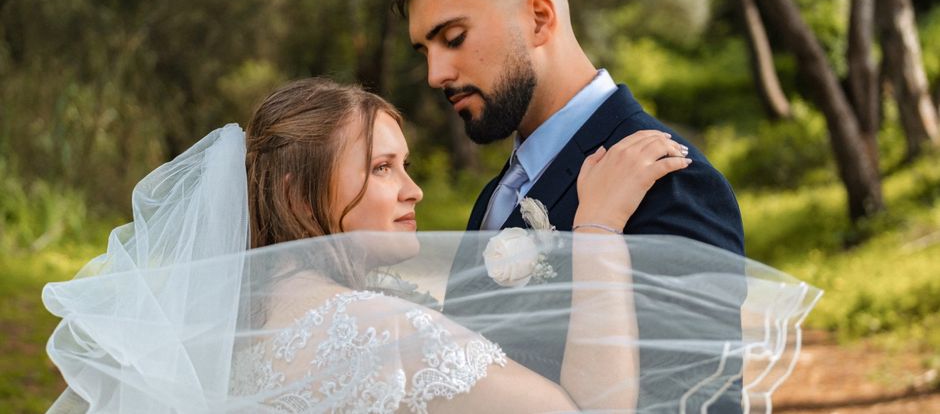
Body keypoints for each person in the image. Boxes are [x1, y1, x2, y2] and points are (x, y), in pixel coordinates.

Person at [43, 78, 819, 413]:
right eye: (382, 168)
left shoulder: (236, 330)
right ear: (291, 194)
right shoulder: (382, 335)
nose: (412, 190)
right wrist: (600, 232)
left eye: (406, 164)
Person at [383, 0, 748, 408]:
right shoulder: (498, 194)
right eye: (424, 50)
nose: (435, 74)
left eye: (453, 38)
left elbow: (697, 400)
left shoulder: (669, 182)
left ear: (539, 18)